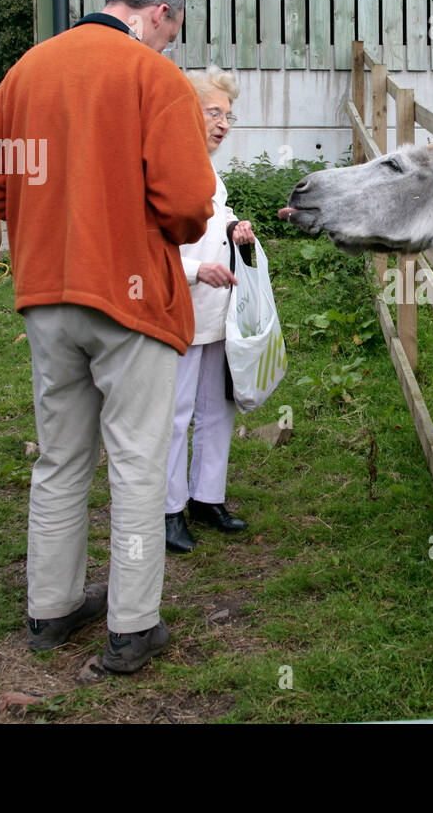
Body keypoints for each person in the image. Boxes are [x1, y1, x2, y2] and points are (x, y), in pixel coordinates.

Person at [0, 0, 217, 673]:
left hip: (47, 292)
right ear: (159, 15)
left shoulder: (24, 74)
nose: (170, 44)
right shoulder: (153, 78)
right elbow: (184, 203)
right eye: (172, 31)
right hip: (129, 297)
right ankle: (132, 628)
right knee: (138, 463)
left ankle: (50, 611)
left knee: (59, 458)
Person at [165, 67, 255, 553]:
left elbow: (214, 222)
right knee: (175, 412)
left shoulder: (211, 171)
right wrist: (199, 272)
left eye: (228, 115)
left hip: (219, 312)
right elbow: (148, 248)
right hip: (179, 306)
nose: (223, 123)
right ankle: (168, 508)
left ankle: (207, 496)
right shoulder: (167, 166)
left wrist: (237, 227)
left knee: (217, 407)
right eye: (213, 112)